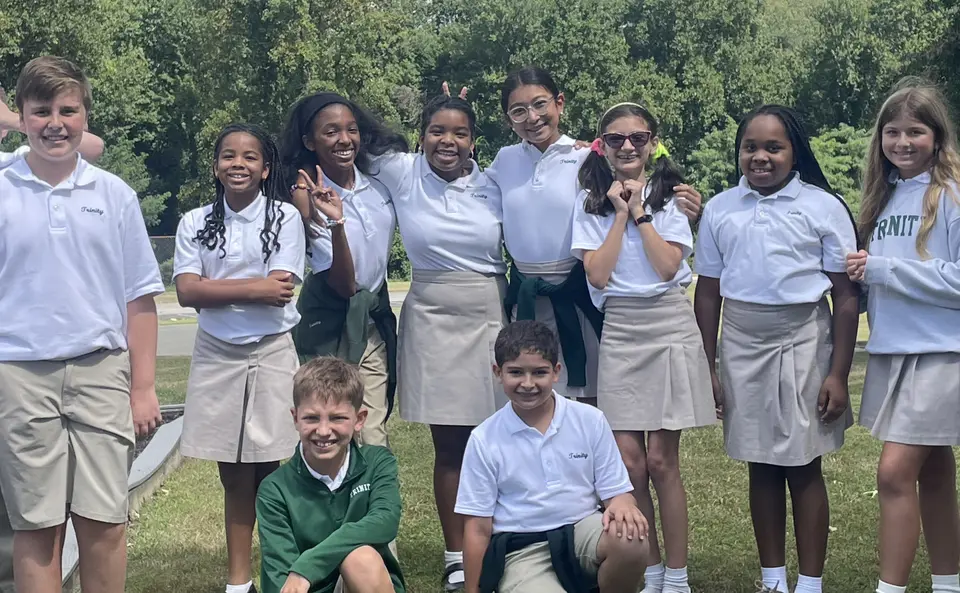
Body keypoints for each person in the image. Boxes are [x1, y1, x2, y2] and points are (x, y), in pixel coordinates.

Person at [0, 56, 163, 593]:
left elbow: (139, 297)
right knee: (36, 526)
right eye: (41, 110)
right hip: (19, 374)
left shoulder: (114, 195)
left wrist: (143, 387)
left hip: (101, 370)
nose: (55, 123)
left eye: (68, 111)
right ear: (21, 116)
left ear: (85, 117)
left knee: (104, 522)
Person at [693, 105, 860, 593]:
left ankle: (809, 583)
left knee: (804, 464)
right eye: (750, 147)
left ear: (795, 152)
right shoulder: (721, 208)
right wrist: (708, 366)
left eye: (773, 147)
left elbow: (846, 295)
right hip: (742, 340)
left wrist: (838, 373)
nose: (760, 157)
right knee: (760, 462)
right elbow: (708, 292)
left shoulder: (823, 206)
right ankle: (773, 581)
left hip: (804, 338)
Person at [484, 67, 702, 406]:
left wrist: (689, 203)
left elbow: (640, 174)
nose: (532, 118)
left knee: (591, 397)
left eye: (540, 104)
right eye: (519, 111)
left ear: (559, 103)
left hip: (578, 291)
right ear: (508, 119)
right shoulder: (504, 160)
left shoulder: (587, 157)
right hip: (528, 293)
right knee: (531, 396)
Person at [570, 102, 716, 593]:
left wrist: (640, 212)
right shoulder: (589, 201)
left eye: (637, 137)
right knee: (629, 462)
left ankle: (677, 576)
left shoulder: (672, 197)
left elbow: (667, 266)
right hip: (621, 327)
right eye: (616, 139)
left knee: (662, 461)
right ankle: (650, 571)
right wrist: (618, 214)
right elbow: (597, 274)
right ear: (602, 146)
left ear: (652, 143)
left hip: (669, 323)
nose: (627, 146)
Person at [370, 95, 507, 592]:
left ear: (473, 140)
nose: (447, 141)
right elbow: (345, 136)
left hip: (489, 310)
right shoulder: (401, 171)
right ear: (421, 135)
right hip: (431, 312)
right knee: (449, 446)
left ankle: (502, 544)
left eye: (459, 133)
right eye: (437, 131)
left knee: (496, 440)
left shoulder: (495, 182)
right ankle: (456, 557)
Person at [174, 123, 305, 593]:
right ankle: (238, 582)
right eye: (228, 156)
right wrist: (254, 288)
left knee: (270, 468)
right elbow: (187, 293)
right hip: (217, 352)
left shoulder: (285, 217)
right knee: (232, 474)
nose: (238, 164)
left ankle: (279, 573)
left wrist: (215, 290)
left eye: (250, 157)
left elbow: (281, 290)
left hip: (271, 349)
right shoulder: (194, 222)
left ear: (265, 168)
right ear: (215, 166)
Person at [846, 79, 960, 593]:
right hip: (894, 350)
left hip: (941, 355)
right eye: (892, 132)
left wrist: (884, 270)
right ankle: (948, 584)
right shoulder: (885, 196)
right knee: (934, 473)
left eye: (915, 131)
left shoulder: (951, 195)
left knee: (893, 474)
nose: (903, 142)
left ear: (937, 137)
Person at [0, 82, 107, 593]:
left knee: (74, 512)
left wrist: (15, 118)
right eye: (38, 111)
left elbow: (91, 145)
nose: (54, 120)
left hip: (73, 361)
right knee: (32, 515)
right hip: (17, 362)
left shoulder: (22, 161)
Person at [456, 320, 649, 593]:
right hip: (522, 548)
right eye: (516, 372)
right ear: (498, 372)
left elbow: (617, 492)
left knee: (630, 538)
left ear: (556, 372)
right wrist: (472, 589)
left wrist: (624, 503)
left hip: (582, 530)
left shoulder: (590, 420)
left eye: (539, 372)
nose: (528, 383)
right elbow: (477, 527)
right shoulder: (484, 438)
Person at [282, 92, 405, 448]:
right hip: (329, 326)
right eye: (331, 131)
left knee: (372, 432)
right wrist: (337, 224)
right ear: (310, 141)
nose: (344, 139)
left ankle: (375, 487)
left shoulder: (377, 186)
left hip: (372, 323)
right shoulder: (307, 201)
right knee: (330, 431)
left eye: (351, 129)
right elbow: (344, 284)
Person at [257, 356, 404, 593]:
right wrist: (301, 575)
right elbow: (281, 579)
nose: (324, 431)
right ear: (295, 418)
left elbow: (385, 521)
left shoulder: (377, 462)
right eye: (311, 418)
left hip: (363, 582)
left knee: (361, 559)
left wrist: (308, 565)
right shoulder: (274, 489)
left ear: (359, 419)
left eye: (337, 418)